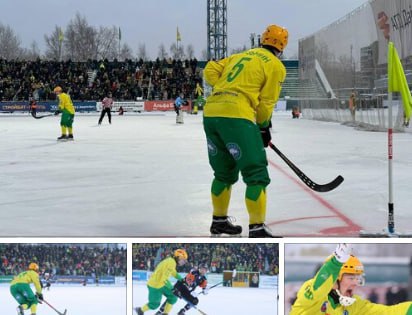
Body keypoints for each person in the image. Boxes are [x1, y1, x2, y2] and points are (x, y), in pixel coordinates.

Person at [202, 24, 288, 237]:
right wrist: (263, 126)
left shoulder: (238, 56)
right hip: (238, 116)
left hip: (211, 113)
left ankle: (219, 221)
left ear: (263, 39)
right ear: (282, 47)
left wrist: (224, 86)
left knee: (223, 172)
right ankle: (257, 228)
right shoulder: (275, 65)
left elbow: (209, 69)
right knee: (256, 173)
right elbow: (267, 103)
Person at [289, 244, 412, 314]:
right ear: (335, 280)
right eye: (351, 277)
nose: (355, 284)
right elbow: (318, 287)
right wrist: (336, 262)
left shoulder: (354, 306)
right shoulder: (311, 296)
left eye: (358, 278)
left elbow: (388, 313)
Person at [135, 249, 188, 315]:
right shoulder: (171, 262)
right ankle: (140, 310)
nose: (183, 262)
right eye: (183, 259)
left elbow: (173, 272)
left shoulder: (172, 261)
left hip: (161, 284)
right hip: (155, 286)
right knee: (154, 305)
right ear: (177, 257)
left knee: (173, 297)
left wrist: (181, 279)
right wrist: (173, 289)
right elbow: (163, 279)